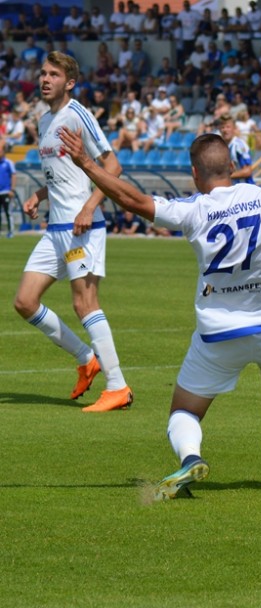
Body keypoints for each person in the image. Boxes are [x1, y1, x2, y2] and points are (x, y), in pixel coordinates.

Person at [59, 130, 261, 501]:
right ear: (232, 166)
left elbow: (132, 200)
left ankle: (191, 457)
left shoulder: (193, 209)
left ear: (195, 174)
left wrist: (87, 163)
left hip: (218, 334)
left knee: (184, 411)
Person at [12, 52, 132, 412]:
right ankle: (86, 358)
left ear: (70, 83)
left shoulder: (78, 114)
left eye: (54, 74)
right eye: (43, 73)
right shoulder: (45, 120)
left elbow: (113, 165)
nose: (45, 79)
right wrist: (39, 194)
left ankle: (118, 387)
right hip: (56, 228)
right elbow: (64, 175)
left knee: (84, 303)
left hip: (82, 226)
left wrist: (90, 206)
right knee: (25, 302)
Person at [217, 113, 255, 184]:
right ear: (219, 129)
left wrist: (224, 177)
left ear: (234, 128)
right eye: (222, 127)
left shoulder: (239, 146)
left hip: (244, 188)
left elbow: (247, 171)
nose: (225, 130)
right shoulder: (221, 146)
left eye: (228, 127)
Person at [0, 140, 15, 238]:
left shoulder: (8, 163)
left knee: (8, 212)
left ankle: (11, 232)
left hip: (6, 191)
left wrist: (12, 190)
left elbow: (13, 175)